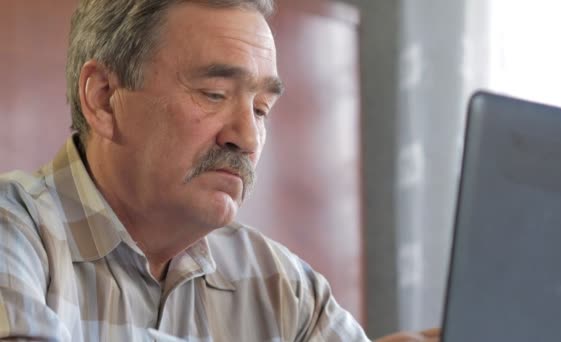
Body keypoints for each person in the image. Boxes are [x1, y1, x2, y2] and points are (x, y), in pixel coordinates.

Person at [0, 0, 439, 341]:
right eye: (213, 94)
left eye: (262, 109)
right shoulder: (15, 231)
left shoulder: (282, 286)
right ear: (103, 97)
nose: (246, 138)